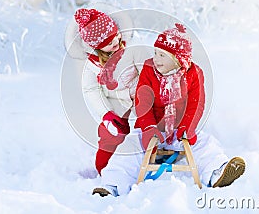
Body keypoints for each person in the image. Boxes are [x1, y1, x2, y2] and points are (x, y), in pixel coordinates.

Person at [93, 23, 245, 197]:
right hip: (152, 129)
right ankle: (112, 184)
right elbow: (143, 103)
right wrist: (149, 127)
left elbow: (196, 104)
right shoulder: (149, 70)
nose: (156, 59)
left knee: (205, 143)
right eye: (155, 53)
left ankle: (216, 171)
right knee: (129, 147)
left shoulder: (194, 73)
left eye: (162, 55)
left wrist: (187, 127)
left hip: (180, 130)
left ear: (178, 59)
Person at [73, 8, 151, 175]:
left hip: (139, 95)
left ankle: (147, 160)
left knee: (144, 127)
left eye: (116, 35)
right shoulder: (93, 65)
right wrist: (106, 113)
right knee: (111, 135)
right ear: (98, 47)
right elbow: (91, 89)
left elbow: (147, 69)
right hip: (115, 101)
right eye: (108, 43)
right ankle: (104, 169)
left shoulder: (131, 48)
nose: (115, 41)